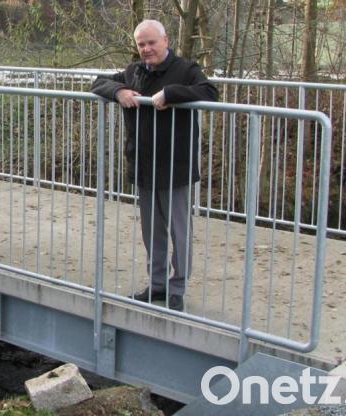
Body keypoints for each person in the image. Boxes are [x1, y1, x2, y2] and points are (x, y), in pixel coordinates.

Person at [91, 19, 218, 312]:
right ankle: (157, 285)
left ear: (166, 41)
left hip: (175, 167)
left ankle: (178, 288)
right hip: (145, 165)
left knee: (178, 230)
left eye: (151, 43)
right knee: (152, 231)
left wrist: (171, 94)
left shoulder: (186, 70)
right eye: (141, 44)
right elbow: (99, 82)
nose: (146, 49)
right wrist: (120, 91)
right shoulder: (134, 71)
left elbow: (210, 92)